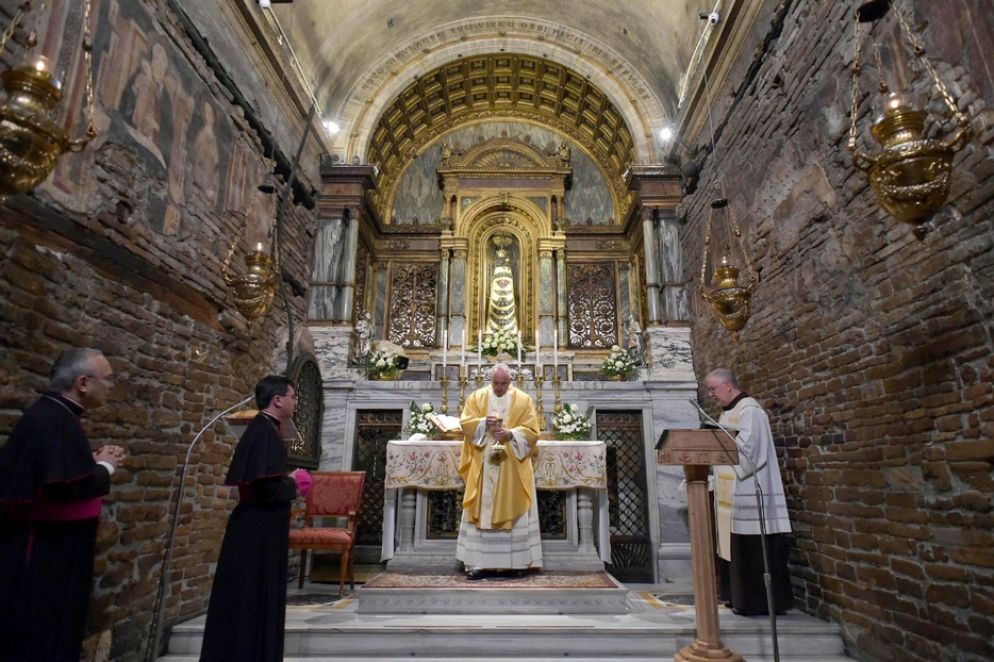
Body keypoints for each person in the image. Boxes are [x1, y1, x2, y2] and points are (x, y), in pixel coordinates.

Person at [0, 348, 127, 661]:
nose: (111, 386)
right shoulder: (55, 420)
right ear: (83, 383)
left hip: (56, 549)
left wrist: (90, 462)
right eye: (108, 379)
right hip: (48, 554)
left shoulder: (55, 415)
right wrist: (106, 465)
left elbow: (60, 474)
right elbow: (70, 489)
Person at [199, 375, 312, 662]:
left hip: (256, 524)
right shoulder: (264, 432)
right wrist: (295, 482)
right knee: (252, 595)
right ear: (278, 400)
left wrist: (286, 481)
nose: (296, 402)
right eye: (293, 397)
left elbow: (263, 480)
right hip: (258, 527)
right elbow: (266, 487)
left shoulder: (263, 429)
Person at [704, 368, 793, 616]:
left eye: (713, 389)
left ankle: (759, 602)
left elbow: (750, 450)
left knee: (753, 547)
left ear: (728, 386)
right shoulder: (729, 412)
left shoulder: (749, 410)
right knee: (736, 547)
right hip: (731, 491)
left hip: (748, 488)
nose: (711, 394)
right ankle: (739, 599)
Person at [456, 363, 541, 580]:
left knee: (515, 507)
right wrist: (484, 423)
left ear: (510, 381)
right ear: (490, 380)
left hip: (512, 465)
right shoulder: (477, 397)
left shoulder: (523, 400)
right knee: (482, 511)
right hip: (485, 463)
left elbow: (532, 431)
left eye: (504, 384)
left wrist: (511, 434)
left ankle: (517, 564)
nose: (500, 388)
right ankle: (478, 564)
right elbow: (465, 424)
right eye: (496, 383)